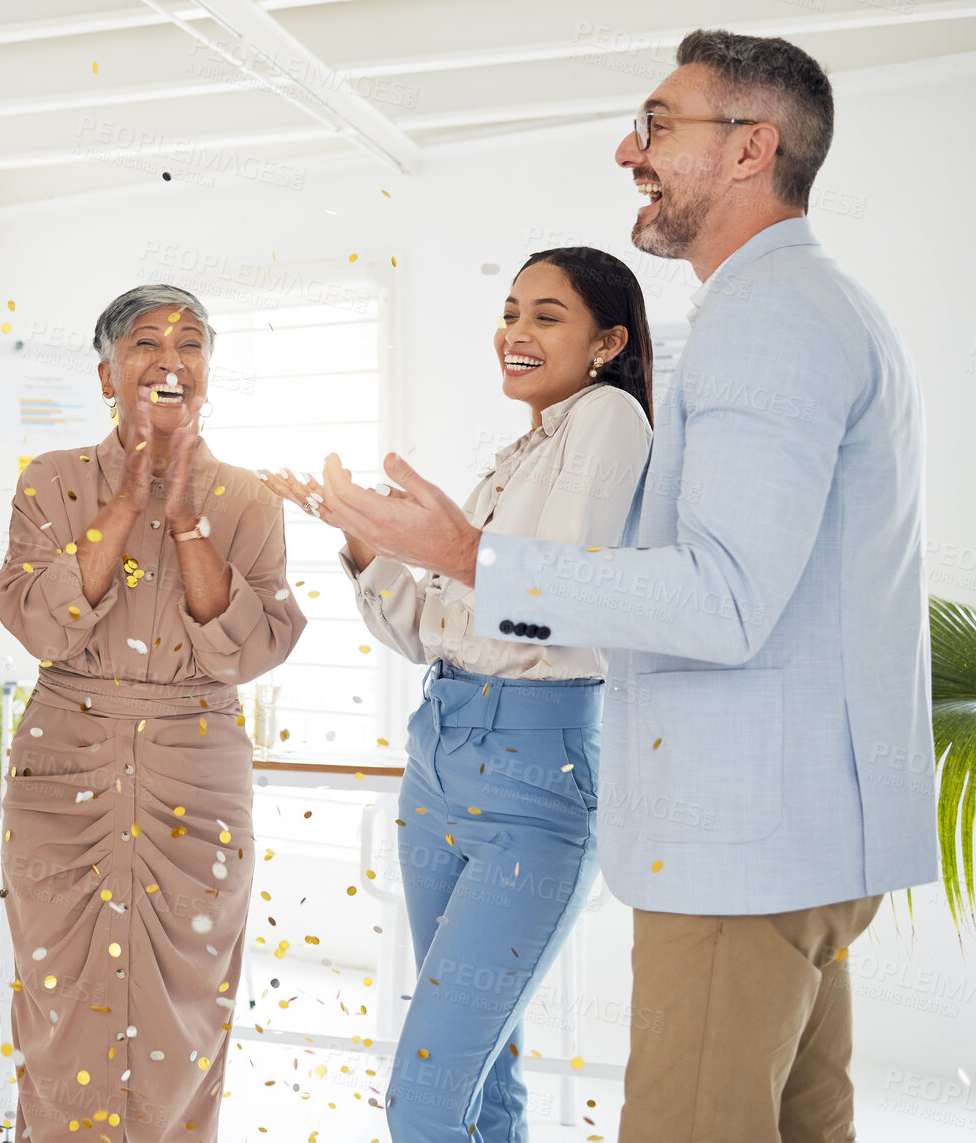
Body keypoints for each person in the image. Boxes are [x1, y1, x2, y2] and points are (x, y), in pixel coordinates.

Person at [315, 30, 936, 1143]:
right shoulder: (790, 310)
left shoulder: (772, 321)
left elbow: (722, 602)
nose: (626, 150)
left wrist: (465, 556)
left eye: (657, 126)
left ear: (752, 148)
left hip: (741, 850)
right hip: (785, 842)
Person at [267, 247, 653, 1142]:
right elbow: (422, 632)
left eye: (545, 316)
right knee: (487, 1074)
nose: (515, 331)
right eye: (510, 311)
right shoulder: (519, 454)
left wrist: (438, 545)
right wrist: (367, 542)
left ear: (609, 341)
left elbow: (547, 603)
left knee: (425, 1097)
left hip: (532, 778)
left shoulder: (608, 420)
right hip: (437, 758)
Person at [0, 284, 306, 1140]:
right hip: (65, 769)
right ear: (105, 374)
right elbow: (33, 622)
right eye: (144, 343)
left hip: (196, 771)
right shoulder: (50, 479)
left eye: (191, 343)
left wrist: (188, 524)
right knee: (57, 1001)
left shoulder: (248, 498)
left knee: (189, 1013)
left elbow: (251, 647)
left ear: (206, 373)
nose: (170, 358)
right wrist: (126, 504)